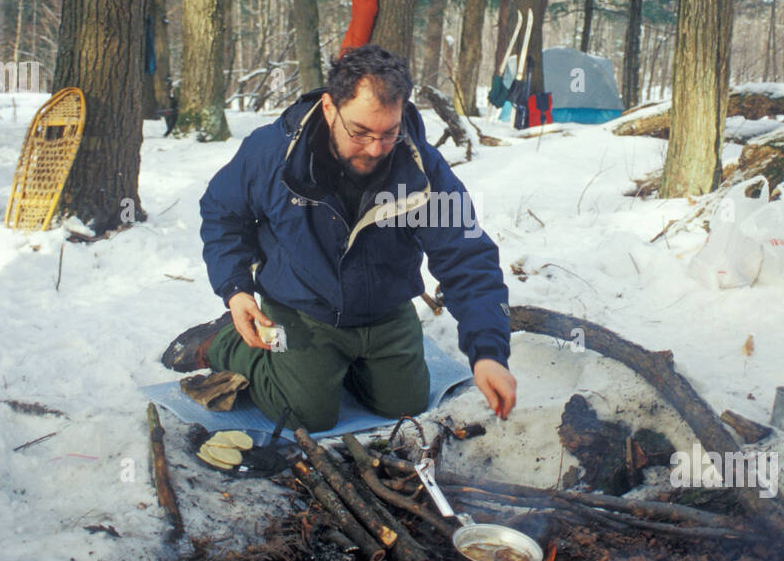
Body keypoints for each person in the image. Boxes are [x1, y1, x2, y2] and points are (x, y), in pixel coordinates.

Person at [162, 45, 517, 433]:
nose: (375, 149)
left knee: (406, 406)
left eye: (389, 133)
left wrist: (488, 353)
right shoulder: (271, 153)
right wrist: (235, 289)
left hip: (384, 309)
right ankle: (223, 341)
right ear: (330, 108)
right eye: (360, 132)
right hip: (301, 307)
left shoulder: (421, 168)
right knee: (305, 416)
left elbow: (466, 255)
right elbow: (223, 214)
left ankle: (339, 368)